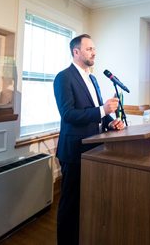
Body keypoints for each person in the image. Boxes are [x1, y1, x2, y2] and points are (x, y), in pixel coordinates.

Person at [53, 34, 124, 245]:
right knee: (71, 203)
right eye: (89, 48)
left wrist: (110, 121)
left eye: (94, 48)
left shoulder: (93, 79)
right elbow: (68, 114)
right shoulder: (63, 77)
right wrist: (103, 110)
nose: (94, 52)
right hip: (74, 150)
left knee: (88, 200)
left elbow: (96, 112)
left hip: (95, 148)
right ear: (76, 52)